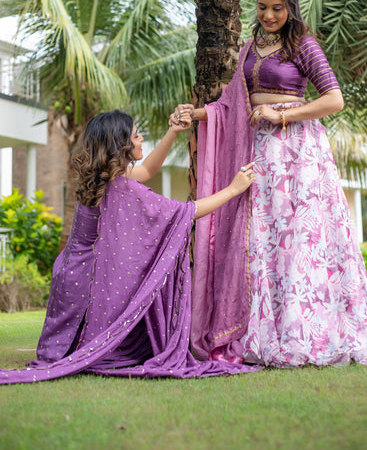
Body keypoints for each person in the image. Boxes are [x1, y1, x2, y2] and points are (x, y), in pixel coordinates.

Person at [171, 0, 367, 367]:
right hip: (258, 153)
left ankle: (304, 330)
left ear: (290, 7)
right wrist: (195, 114)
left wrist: (284, 116)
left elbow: (334, 100)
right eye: (262, 7)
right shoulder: (248, 49)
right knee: (260, 238)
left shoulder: (304, 45)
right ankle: (262, 332)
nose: (268, 15)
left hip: (297, 155)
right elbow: (231, 105)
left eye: (277, 8)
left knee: (298, 239)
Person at [0, 110, 257, 385]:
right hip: (89, 286)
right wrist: (233, 189)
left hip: (70, 280)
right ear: (121, 145)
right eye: (136, 136)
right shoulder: (124, 189)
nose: (141, 138)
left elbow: (146, 171)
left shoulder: (98, 179)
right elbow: (186, 212)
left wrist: (172, 132)